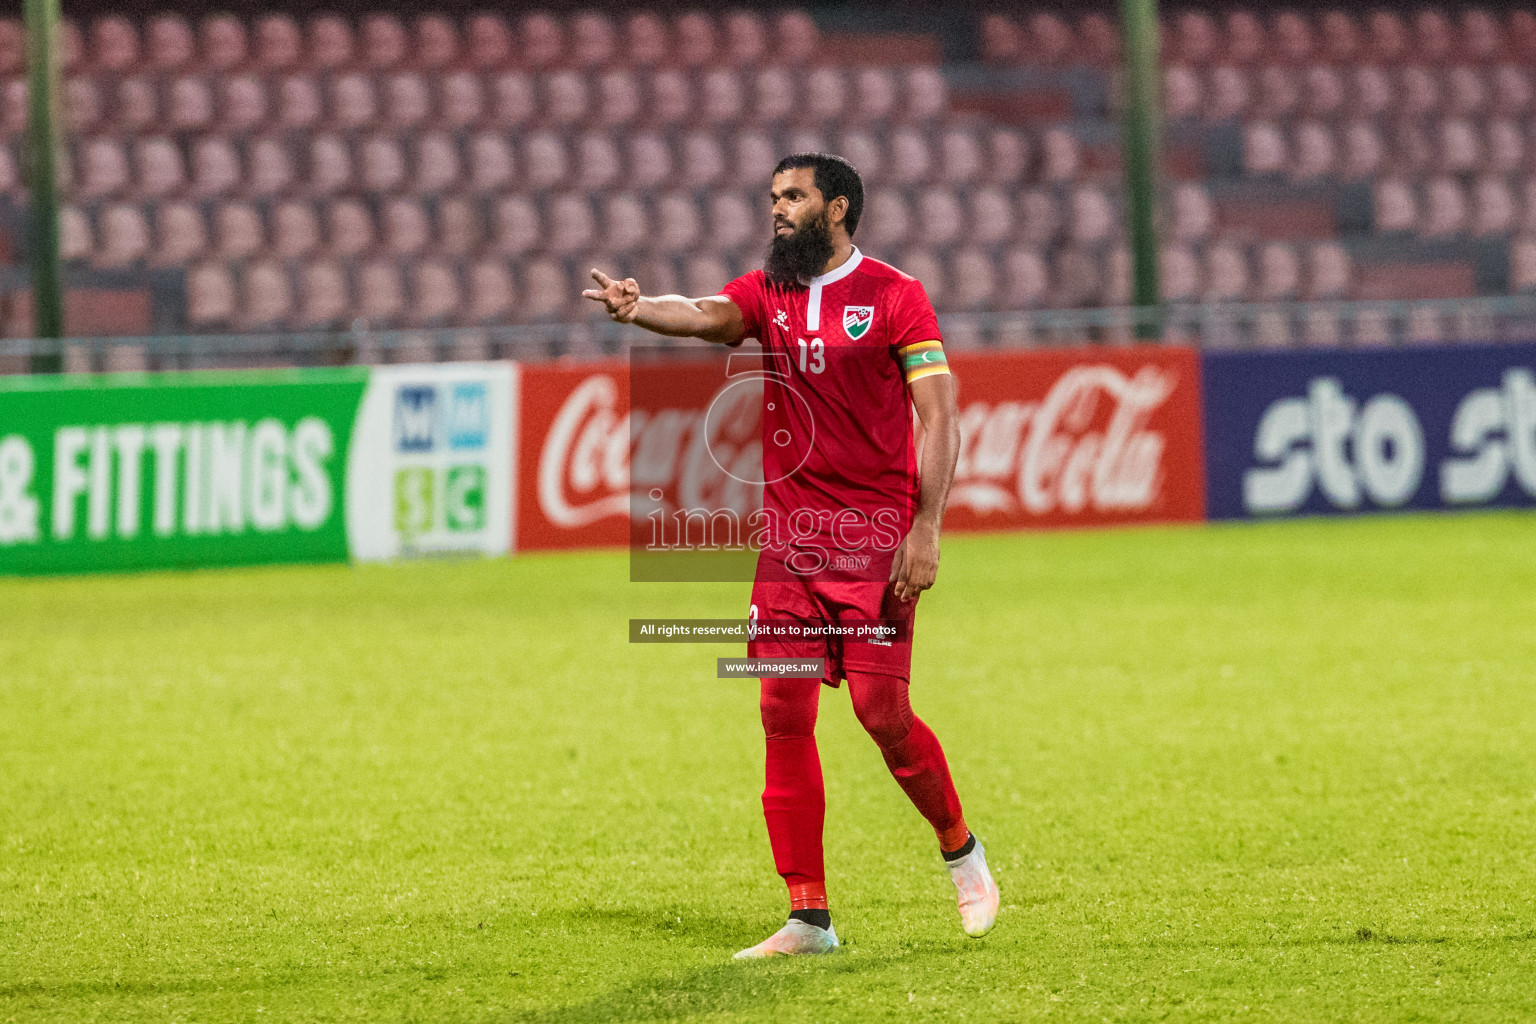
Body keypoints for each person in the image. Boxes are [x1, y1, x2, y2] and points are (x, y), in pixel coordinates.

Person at [583, 153, 999, 958]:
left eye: (794, 196)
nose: (777, 208)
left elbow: (940, 417)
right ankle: (809, 917)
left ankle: (960, 849)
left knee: (882, 714)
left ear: (837, 207)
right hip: (789, 539)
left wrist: (926, 527)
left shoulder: (893, 295)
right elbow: (706, 314)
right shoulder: (767, 290)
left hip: (875, 538)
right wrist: (640, 310)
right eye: (773, 196)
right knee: (781, 707)